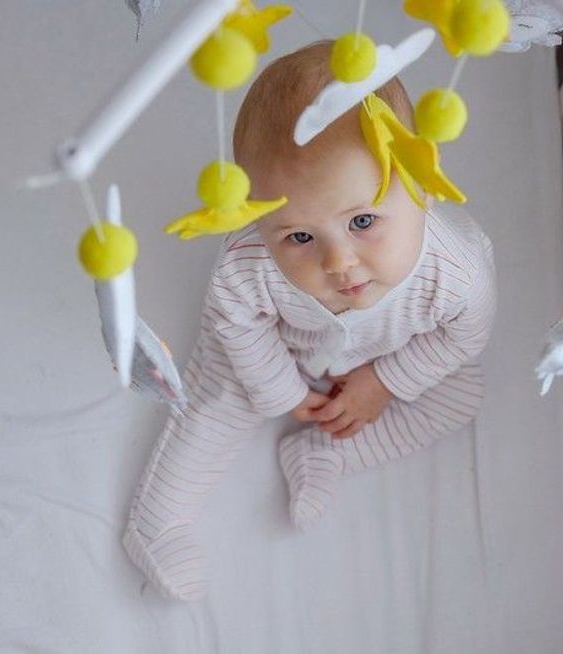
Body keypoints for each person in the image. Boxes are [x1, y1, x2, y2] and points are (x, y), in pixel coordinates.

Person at [123, 41, 496, 601]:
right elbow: (236, 326)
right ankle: (157, 522)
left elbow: (464, 335)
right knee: (212, 407)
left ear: (421, 185)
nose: (338, 263)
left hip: (381, 356)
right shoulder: (246, 266)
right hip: (275, 351)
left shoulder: (457, 271)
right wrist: (280, 390)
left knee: (461, 395)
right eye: (299, 236)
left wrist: (384, 382)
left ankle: (327, 452)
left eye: (364, 220)